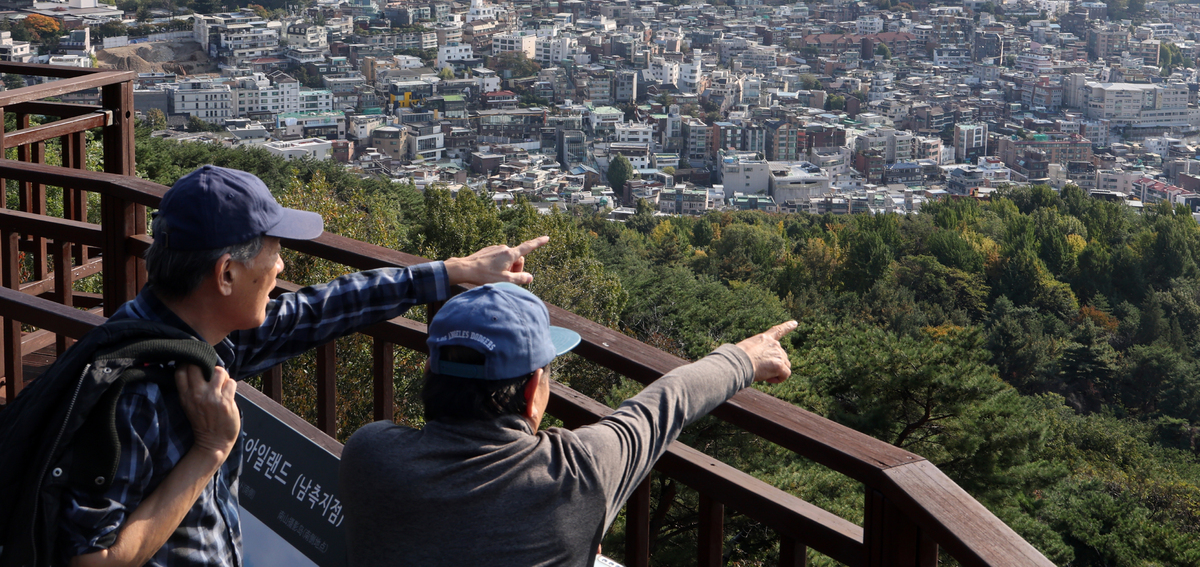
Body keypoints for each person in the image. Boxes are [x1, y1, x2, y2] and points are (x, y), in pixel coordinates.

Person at [59, 164, 546, 567]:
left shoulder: (188, 331)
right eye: (273, 251)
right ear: (226, 274)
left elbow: (316, 311)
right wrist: (208, 452)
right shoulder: (136, 390)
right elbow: (87, 559)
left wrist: (448, 272)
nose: (281, 268)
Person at [339, 283, 796, 567]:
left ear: (430, 375)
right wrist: (744, 358)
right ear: (533, 387)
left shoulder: (370, 455)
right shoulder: (577, 473)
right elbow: (666, 404)